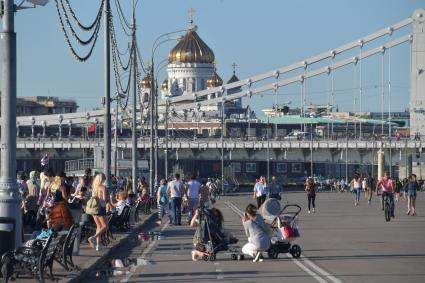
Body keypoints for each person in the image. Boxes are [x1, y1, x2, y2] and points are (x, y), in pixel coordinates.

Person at [88, 173, 108, 251]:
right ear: (102, 180)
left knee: (99, 226)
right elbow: (104, 200)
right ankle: (93, 238)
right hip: (101, 208)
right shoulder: (103, 187)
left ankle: (98, 245)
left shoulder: (94, 187)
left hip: (94, 209)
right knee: (105, 226)